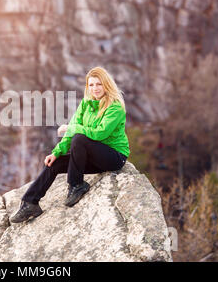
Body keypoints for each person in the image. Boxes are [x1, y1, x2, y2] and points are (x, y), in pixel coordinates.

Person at [10, 67, 130, 223]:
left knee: (79, 138)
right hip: (92, 155)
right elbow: (71, 131)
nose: (95, 89)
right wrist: (56, 152)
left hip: (114, 157)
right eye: (91, 85)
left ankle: (76, 185)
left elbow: (100, 133)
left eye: (99, 84)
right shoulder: (86, 104)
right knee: (55, 163)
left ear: (106, 84)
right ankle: (29, 203)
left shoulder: (115, 107)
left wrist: (72, 128)